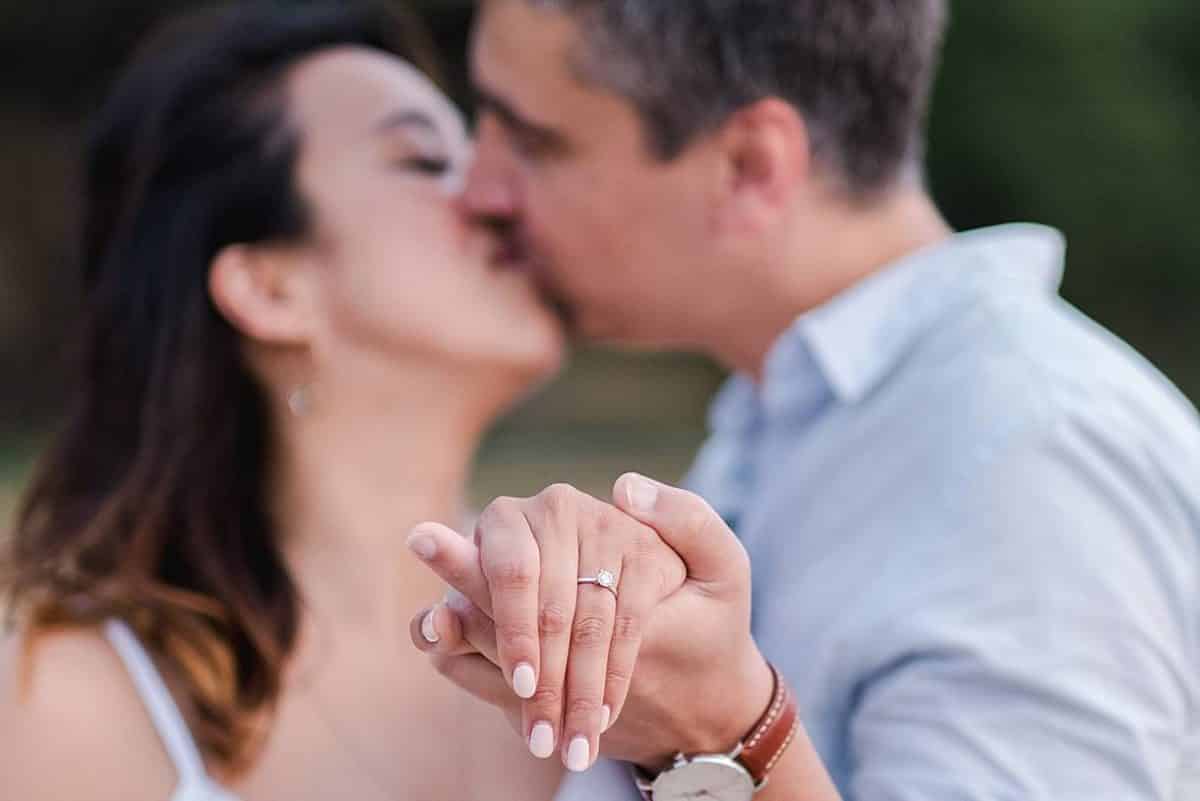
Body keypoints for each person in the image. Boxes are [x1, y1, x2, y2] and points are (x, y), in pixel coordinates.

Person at [407, 1, 1200, 800]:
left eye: (535, 141)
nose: (480, 190)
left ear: (750, 165)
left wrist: (715, 741)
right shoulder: (787, 423)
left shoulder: (1034, 460)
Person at [0, 4, 673, 799]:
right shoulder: (70, 705)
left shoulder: (617, 613)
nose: (499, 195)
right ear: (270, 287)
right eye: (427, 160)